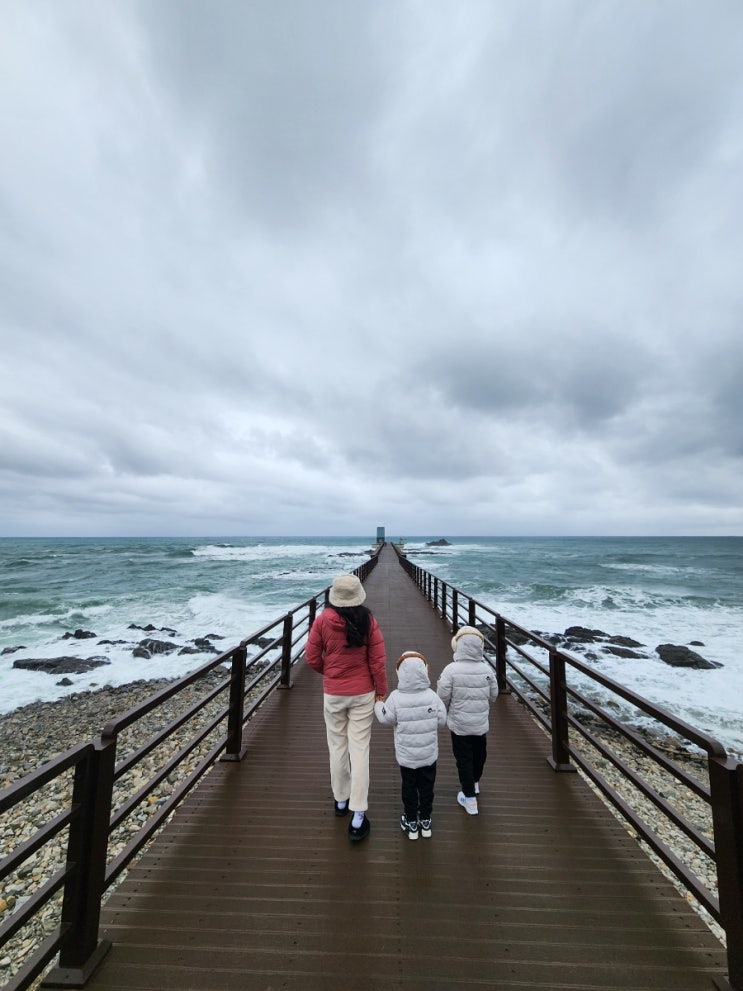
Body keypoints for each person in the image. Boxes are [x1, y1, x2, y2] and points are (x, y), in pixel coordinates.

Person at [305, 573, 387, 842]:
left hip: (334, 693)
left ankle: (341, 800)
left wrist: (329, 672)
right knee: (359, 749)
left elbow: (312, 658)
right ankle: (358, 813)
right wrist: (382, 691)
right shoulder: (368, 620)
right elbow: (377, 661)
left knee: (337, 747)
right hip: (364, 692)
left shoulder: (322, 621)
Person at [375, 650, 447, 839]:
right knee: (426, 787)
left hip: (407, 755)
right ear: (425, 671)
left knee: (409, 786)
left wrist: (378, 705)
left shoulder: (395, 697)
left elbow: (385, 719)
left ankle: (411, 822)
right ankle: (425, 820)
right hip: (429, 753)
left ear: (400, 673)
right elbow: (441, 721)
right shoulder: (432, 696)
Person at [437, 626, 498, 816]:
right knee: (480, 753)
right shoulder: (487, 670)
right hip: (480, 722)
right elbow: (494, 696)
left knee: (463, 758)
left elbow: (442, 696)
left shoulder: (451, 670)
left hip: (459, 724)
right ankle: (475, 782)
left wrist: (444, 711)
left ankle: (469, 798)